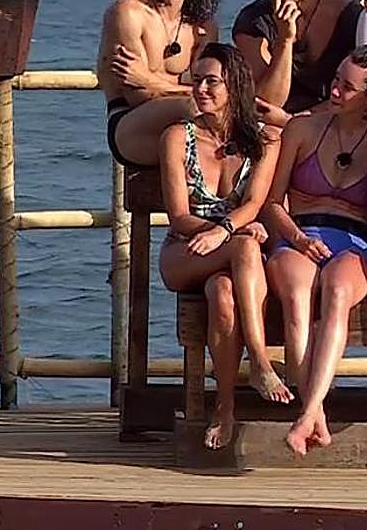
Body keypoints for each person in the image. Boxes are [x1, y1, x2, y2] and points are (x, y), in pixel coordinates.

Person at [262, 44, 367, 455]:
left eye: (348, 87)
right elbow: (273, 203)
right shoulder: (302, 128)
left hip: (354, 238)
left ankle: (308, 412)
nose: (336, 90)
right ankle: (314, 411)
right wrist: (299, 238)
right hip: (299, 231)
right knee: (297, 293)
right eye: (337, 80)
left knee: (339, 292)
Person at [156, 43, 292, 451]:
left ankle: (225, 408)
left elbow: (254, 202)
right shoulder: (177, 137)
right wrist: (224, 232)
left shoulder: (265, 141)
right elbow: (179, 217)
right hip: (185, 251)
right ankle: (260, 361)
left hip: (232, 257)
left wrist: (227, 232)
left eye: (211, 81)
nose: (201, 89)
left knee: (222, 292)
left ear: (234, 85)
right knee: (246, 247)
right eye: (196, 81)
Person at [99, 0, 220, 166]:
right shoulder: (129, 13)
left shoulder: (203, 28)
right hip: (129, 121)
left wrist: (148, 79)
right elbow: (136, 93)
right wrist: (190, 92)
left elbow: (206, 90)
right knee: (198, 108)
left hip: (182, 122)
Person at [233, 0, 363, 114]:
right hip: (271, 119)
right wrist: (284, 40)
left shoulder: (345, 13)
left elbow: (361, 90)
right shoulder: (252, 20)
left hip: (331, 114)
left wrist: (300, 120)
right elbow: (266, 102)